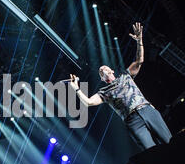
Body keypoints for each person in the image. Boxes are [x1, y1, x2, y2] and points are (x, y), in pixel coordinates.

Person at [70, 22, 172, 151]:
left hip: (146, 109)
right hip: (133, 121)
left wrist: (139, 41)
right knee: (150, 151)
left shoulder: (125, 75)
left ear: (112, 71)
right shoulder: (104, 92)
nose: (103, 70)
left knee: (169, 141)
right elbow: (89, 102)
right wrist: (76, 89)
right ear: (102, 79)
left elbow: (139, 60)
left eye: (105, 68)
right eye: (101, 71)